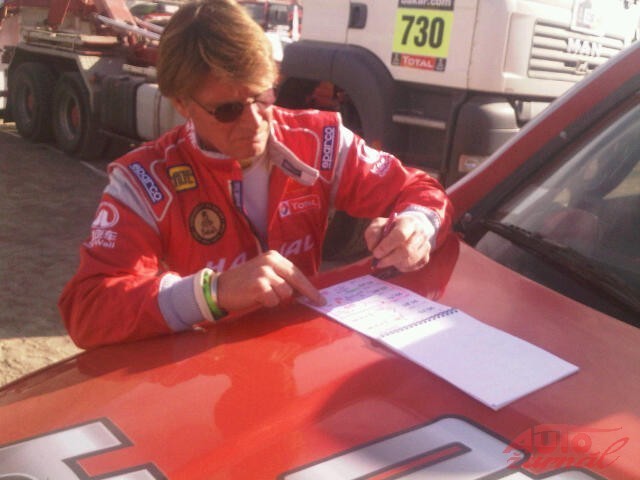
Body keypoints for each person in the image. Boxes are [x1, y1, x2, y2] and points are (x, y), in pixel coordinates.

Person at [58, 0, 453, 349]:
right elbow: (88, 309)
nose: (255, 123)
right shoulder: (144, 179)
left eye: (263, 96)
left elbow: (420, 190)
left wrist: (417, 227)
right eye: (228, 110)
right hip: (205, 373)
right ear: (182, 104)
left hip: (297, 358)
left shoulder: (321, 139)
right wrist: (213, 292)